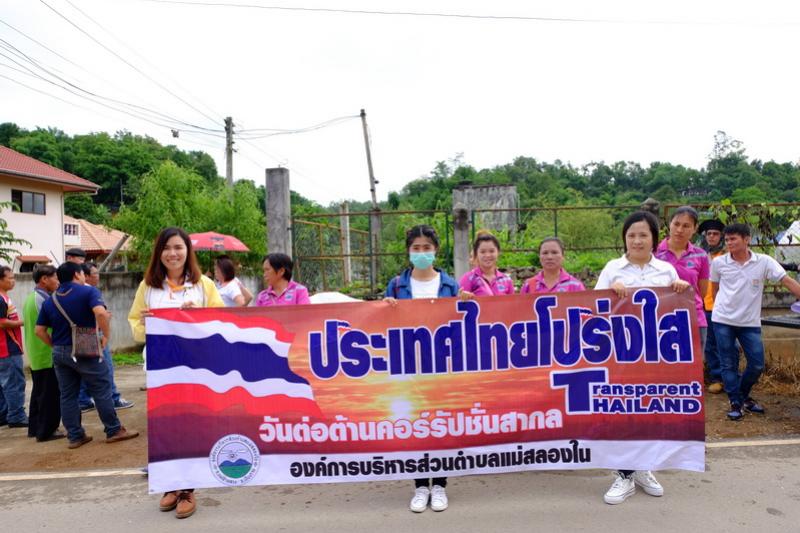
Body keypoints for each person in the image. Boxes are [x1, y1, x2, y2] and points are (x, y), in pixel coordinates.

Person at [127, 227, 224, 519]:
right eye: (167, 248)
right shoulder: (148, 287)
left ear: (187, 251)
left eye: (178, 247)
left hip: (196, 369)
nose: (173, 253)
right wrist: (145, 323)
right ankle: (170, 484)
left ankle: (187, 489)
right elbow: (135, 325)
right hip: (161, 369)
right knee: (164, 427)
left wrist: (200, 315)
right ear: (159, 253)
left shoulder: (204, 285)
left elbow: (221, 322)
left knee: (191, 427)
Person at [594, 211, 690, 505]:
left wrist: (680, 289)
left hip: (657, 355)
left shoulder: (666, 270)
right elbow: (594, 309)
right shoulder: (612, 268)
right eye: (631, 235)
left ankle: (643, 468)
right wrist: (611, 293)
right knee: (623, 411)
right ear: (624, 239)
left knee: (651, 410)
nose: (637, 240)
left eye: (643, 235)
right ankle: (624, 475)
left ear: (654, 238)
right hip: (621, 355)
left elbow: (678, 307)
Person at [384, 224, 458, 513]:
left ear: (436, 250)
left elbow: (461, 322)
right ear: (408, 251)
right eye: (416, 248)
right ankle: (420, 486)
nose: (422, 252)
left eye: (427, 247)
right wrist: (384, 306)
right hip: (408, 366)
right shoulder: (397, 286)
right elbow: (382, 324)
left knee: (440, 424)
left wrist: (466, 303)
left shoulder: (450, 285)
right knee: (415, 425)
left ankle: (439, 484)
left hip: (442, 365)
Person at [34, 262, 139, 450]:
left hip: (60, 351)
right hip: (86, 346)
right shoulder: (89, 292)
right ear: (77, 274)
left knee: (67, 395)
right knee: (101, 389)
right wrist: (105, 335)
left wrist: (55, 345)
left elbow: (39, 331)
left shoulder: (51, 299)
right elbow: (100, 313)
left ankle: (75, 436)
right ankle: (114, 430)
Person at [711, 223, 800, 421]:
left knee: (757, 364)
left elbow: (786, 280)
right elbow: (714, 289)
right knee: (728, 363)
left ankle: (742, 396)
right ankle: (735, 403)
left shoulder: (763, 261)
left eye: (733, 239)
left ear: (747, 239)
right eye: (727, 239)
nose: (729, 243)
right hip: (722, 320)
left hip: (749, 323)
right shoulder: (719, 263)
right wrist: (719, 309)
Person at [78, 263, 134, 412]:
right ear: (85, 276)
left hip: (81, 334)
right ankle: (113, 399)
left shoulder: (73, 291)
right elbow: (100, 314)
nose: (98, 276)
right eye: (95, 273)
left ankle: (83, 400)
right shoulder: (90, 291)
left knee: (85, 369)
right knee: (106, 368)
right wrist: (105, 332)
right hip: (94, 333)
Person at [655, 206, 711, 350]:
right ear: (669, 224)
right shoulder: (654, 253)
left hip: (694, 318)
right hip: (660, 319)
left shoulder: (701, 255)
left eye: (686, 226)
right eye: (676, 224)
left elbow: (702, 291)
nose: (679, 230)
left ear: (695, 228)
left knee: (694, 363)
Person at [23, 265, 64, 441]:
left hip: (37, 353)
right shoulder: (43, 300)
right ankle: (47, 431)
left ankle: (35, 428)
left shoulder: (32, 297)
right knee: (49, 395)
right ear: (44, 279)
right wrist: (55, 345)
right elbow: (44, 328)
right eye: (55, 277)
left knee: (39, 393)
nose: (58, 281)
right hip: (45, 353)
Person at [698, 219, 726, 393]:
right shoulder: (699, 255)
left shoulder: (727, 255)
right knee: (709, 345)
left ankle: (729, 377)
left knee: (726, 343)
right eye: (709, 234)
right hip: (705, 305)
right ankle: (716, 377)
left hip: (723, 306)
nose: (712, 237)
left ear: (721, 236)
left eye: (715, 234)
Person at [0, 265, 28, 429]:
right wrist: (23, 322)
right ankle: (16, 416)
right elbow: (2, 323)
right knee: (14, 383)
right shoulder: (1, 299)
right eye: (10, 278)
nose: (13, 281)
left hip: (5, 348)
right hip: (8, 348)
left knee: (4, 383)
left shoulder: (4, 297)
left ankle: (4, 415)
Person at [458, 231, 515, 297]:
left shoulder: (506, 280)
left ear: (498, 252)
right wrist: (465, 298)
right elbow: (460, 302)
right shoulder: (468, 279)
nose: (487, 255)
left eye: (492, 251)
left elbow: (513, 303)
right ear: (476, 254)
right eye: (483, 252)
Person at [521, 237, 586, 294]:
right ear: (539, 256)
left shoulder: (575, 286)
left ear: (563, 256)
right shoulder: (529, 285)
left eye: (554, 252)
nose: (549, 257)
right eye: (545, 253)